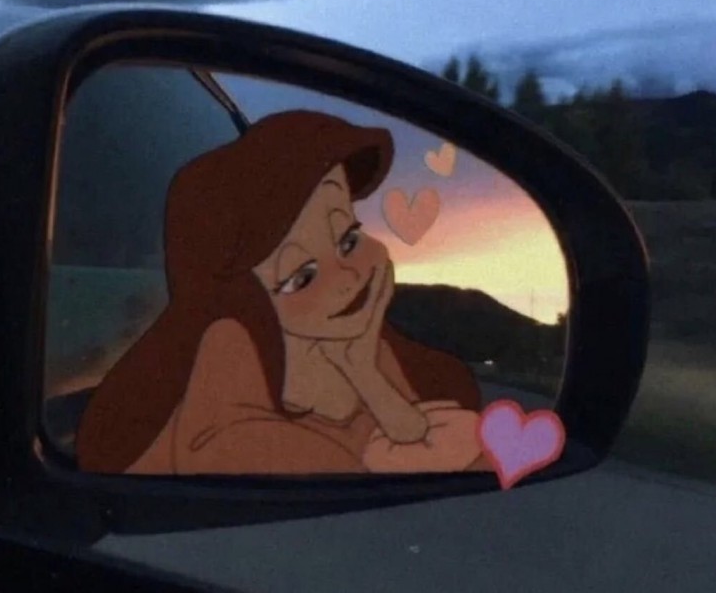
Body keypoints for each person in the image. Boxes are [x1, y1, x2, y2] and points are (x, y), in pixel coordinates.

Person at [76, 110, 491, 475]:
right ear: (243, 296)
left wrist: (366, 375)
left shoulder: (364, 349)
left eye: (348, 239)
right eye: (301, 277)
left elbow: (441, 448)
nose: (347, 275)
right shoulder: (227, 402)